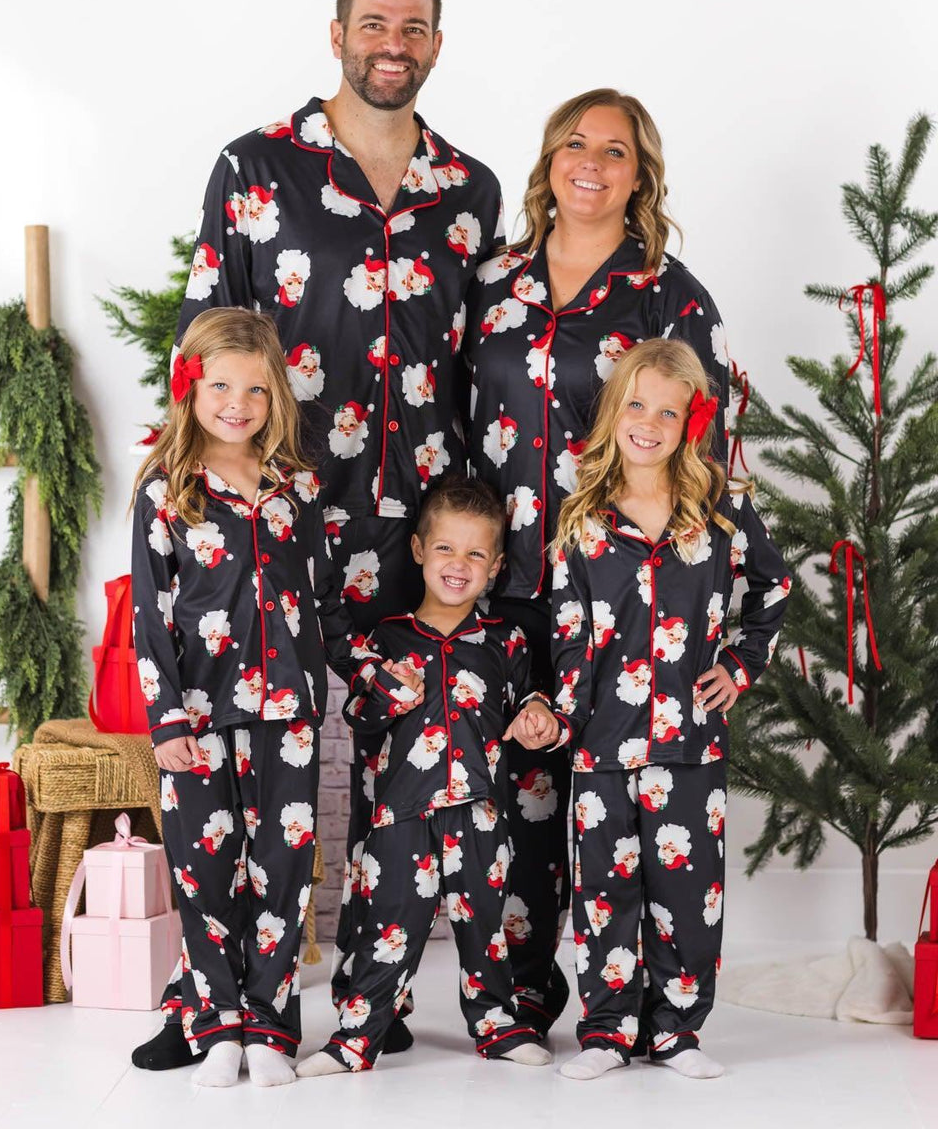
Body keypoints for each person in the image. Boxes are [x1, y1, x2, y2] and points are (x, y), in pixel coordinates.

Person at [133, 0, 503, 1070]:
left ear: (437, 43)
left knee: (402, 765)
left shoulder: (470, 190)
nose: (394, 43)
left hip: (414, 525)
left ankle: (368, 1003)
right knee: (226, 776)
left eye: (415, 26)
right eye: (374, 23)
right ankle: (203, 1004)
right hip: (274, 512)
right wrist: (188, 479)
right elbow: (208, 336)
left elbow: (481, 365)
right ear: (338, 33)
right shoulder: (257, 167)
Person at [463, 87, 731, 1036]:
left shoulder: (670, 295)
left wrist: (716, 626)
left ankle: (645, 1012)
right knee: (516, 798)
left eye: (615, 150)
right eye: (576, 143)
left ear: (641, 174)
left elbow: (707, 458)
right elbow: (448, 418)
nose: (592, 162)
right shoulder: (493, 281)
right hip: (501, 582)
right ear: (550, 159)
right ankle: (520, 998)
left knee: (620, 811)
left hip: (622, 595)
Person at [131, 309, 423, 1089]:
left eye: (256, 391)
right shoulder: (166, 492)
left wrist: (369, 671)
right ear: (190, 389)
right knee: (205, 870)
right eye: (221, 387)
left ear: (276, 399)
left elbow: (323, 605)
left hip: (289, 715)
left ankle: (269, 1026)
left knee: (282, 871)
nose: (238, 404)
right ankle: (216, 1025)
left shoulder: (296, 491)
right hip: (198, 715)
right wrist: (165, 719)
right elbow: (151, 616)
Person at [549, 339, 791, 1079]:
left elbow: (775, 587)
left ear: (692, 423)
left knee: (687, 890)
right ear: (614, 410)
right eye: (637, 405)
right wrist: (564, 719)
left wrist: (741, 666)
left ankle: (677, 1032)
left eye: (668, 412)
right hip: (601, 743)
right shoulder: (583, 518)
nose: (649, 423)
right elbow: (567, 631)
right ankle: (607, 1032)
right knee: (605, 891)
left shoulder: (722, 508)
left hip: (690, 740)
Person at [297, 476, 559, 1076]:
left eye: (475, 553)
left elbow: (531, 699)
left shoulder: (505, 641)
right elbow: (358, 717)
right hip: (401, 815)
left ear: (495, 566)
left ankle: (497, 1025)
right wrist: (388, 695)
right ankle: (356, 1039)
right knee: (387, 926)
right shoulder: (385, 640)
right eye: (445, 548)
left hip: (480, 812)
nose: (458, 564)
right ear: (418, 549)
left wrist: (537, 714)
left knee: (485, 927)